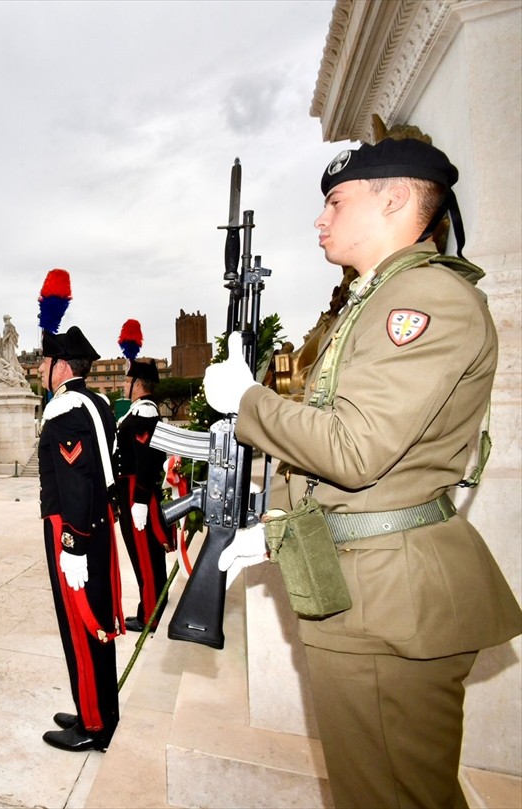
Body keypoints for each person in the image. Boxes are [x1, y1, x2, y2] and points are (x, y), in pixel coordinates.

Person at [205, 138, 522, 808]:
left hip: (388, 601)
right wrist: (275, 531)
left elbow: (354, 447)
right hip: (364, 582)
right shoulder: (378, 300)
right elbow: (348, 456)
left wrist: (249, 402)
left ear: (397, 197)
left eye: (335, 201)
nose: (320, 219)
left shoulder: (427, 301)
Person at [36, 324, 123, 753]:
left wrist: (74, 542)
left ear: (61, 366)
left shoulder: (66, 409)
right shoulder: (98, 402)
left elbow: (76, 479)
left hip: (74, 529)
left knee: (82, 626)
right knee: (97, 622)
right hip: (98, 522)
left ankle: (92, 724)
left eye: (43, 361)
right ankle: (101, 709)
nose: (38, 369)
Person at [111, 357, 175, 632]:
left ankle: (150, 614)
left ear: (138, 384)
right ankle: (156, 602)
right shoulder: (139, 412)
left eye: (127, 381)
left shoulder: (143, 414)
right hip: (135, 490)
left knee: (144, 556)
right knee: (148, 553)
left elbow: (146, 461)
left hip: (137, 491)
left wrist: (138, 501)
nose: (124, 386)